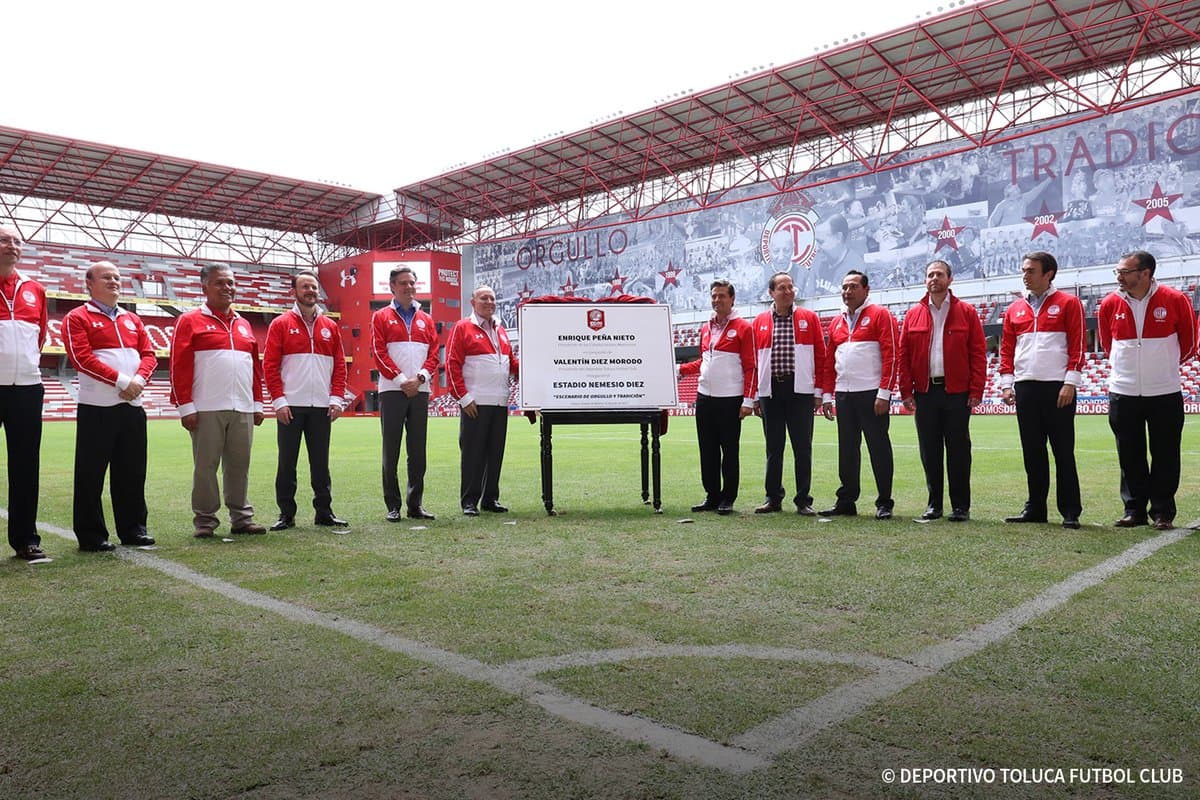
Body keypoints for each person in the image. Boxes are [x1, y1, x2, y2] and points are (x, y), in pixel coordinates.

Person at [1097, 250, 1197, 530]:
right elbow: (1107, 345)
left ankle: (1163, 511)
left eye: (1125, 271)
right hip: (1123, 390)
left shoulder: (1176, 300)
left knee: (1166, 453)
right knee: (1129, 453)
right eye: (1117, 271)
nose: (1119, 276)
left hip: (1164, 391)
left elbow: (1189, 344)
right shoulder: (1109, 304)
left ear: (1145, 273)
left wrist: (1160, 367)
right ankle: (1134, 510)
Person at [63, 261, 158, 552]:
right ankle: (92, 535)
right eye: (106, 277)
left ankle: (133, 529)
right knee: (91, 473)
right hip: (98, 406)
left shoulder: (133, 319)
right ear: (89, 283)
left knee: (131, 471)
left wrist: (139, 381)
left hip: (133, 405)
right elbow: (81, 358)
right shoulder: (77, 317)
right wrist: (122, 382)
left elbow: (149, 354)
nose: (114, 282)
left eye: (117, 277)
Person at [169, 265, 266, 538]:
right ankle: (205, 520)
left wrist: (257, 403)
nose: (228, 288)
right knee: (206, 467)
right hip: (206, 406)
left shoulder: (244, 324)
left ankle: (241, 518)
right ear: (205, 288)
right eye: (220, 283)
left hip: (243, 407)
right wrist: (185, 406)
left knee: (239, 465)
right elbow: (179, 366)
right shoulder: (189, 321)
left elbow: (254, 369)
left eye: (231, 283)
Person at [998, 251, 1085, 528]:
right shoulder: (1014, 309)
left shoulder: (1069, 303)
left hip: (1057, 387)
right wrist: (1006, 384)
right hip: (1025, 388)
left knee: (1063, 451)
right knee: (1032, 451)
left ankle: (1070, 510)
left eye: (1031, 270)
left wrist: (1070, 381)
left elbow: (1078, 344)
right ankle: (1035, 507)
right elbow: (1006, 349)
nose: (1025, 275)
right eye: (1024, 270)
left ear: (1048, 274)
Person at [897, 260, 987, 522]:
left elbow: (978, 352)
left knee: (959, 450)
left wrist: (976, 388)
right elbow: (903, 355)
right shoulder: (913, 314)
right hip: (925, 393)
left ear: (950, 279)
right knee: (930, 450)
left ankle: (960, 507)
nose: (933, 279)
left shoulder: (967, 312)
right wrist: (906, 390)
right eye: (929, 275)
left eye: (939, 274)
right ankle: (934, 504)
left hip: (957, 392)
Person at [263, 270, 348, 531]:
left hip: (322, 406)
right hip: (291, 405)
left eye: (313, 287)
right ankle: (286, 514)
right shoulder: (280, 324)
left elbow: (339, 367)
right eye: (305, 287)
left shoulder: (330, 326)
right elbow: (270, 365)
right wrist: (279, 401)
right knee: (287, 462)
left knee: (320, 463)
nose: (311, 291)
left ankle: (324, 512)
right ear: (295, 292)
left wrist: (336, 398)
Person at [819, 270, 899, 519]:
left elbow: (892, 355)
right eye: (844, 287)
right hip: (844, 394)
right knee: (847, 449)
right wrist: (827, 396)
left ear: (866, 289)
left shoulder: (880, 315)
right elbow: (827, 362)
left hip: (871, 393)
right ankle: (846, 500)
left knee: (878, 447)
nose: (847, 291)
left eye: (853, 286)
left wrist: (884, 393)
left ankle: (884, 502)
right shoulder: (836, 322)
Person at [751, 271, 828, 515]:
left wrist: (818, 392)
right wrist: (754, 396)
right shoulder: (760, 321)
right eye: (782, 288)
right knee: (774, 447)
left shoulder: (809, 317)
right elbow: (754, 362)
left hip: (801, 390)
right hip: (770, 391)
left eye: (790, 287)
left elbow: (821, 357)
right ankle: (773, 498)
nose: (788, 291)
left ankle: (803, 499)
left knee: (802, 447)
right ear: (771, 293)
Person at [678, 280, 755, 515]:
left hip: (729, 399)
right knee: (707, 450)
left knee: (729, 450)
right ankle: (711, 495)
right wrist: (682, 369)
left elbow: (751, 366)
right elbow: (705, 362)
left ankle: (728, 498)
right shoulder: (706, 327)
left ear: (732, 299)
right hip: (704, 398)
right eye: (714, 296)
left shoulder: (743, 328)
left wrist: (748, 400)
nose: (717, 300)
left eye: (722, 296)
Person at [371, 266, 439, 521]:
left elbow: (434, 353)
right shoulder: (380, 317)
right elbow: (379, 353)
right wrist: (401, 380)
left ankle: (415, 504)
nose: (409, 287)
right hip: (391, 391)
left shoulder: (426, 319)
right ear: (392, 287)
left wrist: (420, 378)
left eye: (412, 283)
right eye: (403, 283)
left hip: (420, 391)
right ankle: (393, 505)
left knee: (417, 450)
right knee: (392, 449)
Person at [446, 286, 519, 516]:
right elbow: (452, 364)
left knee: (495, 452)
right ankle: (469, 500)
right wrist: (464, 398)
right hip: (475, 402)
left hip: (499, 401)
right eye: (483, 298)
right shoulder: (462, 327)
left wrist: (531, 367)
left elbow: (510, 363)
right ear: (472, 301)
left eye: (492, 298)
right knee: (473, 454)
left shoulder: (501, 330)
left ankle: (490, 498)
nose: (489, 302)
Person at [0, 226, 48, 560]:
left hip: (27, 388)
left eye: (17, 241)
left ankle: (26, 539)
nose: (12, 245)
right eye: (4, 240)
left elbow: (40, 336)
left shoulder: (35, 289)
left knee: (25, 466)